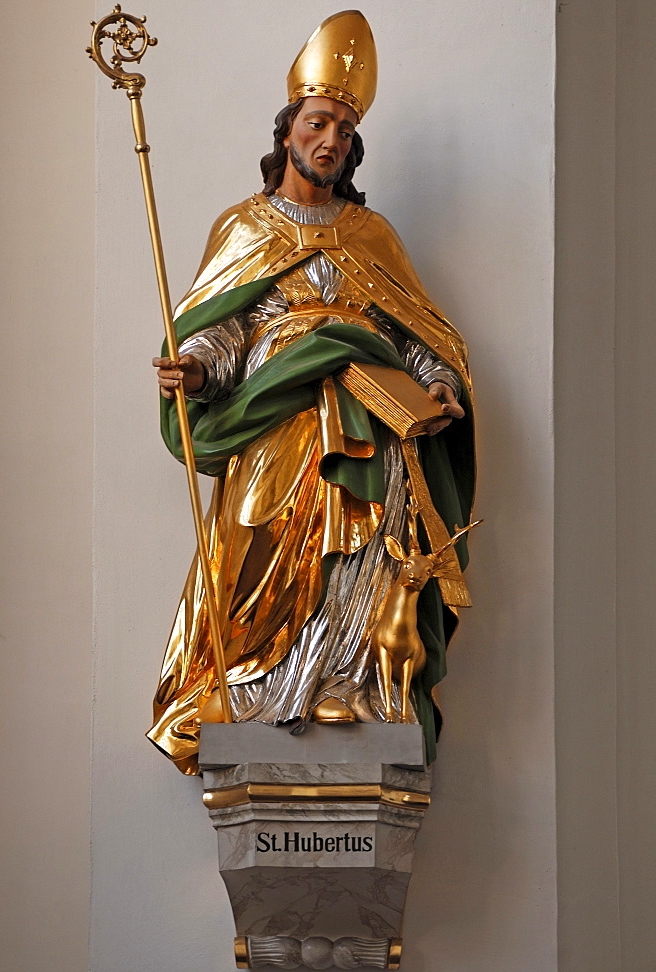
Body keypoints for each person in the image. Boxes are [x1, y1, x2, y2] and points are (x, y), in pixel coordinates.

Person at [147, 11, 475, 776]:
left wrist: (436, 383)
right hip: (275, 420)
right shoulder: (244, 227)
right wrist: (191, 369)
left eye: (345, 131)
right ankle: (258, 687)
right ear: (288, 131)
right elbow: (220, 332)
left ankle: (347, 685)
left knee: (363, 552)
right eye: (319, 122)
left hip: (369, 419)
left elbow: (416, 336)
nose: (332, 140)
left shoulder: (371, 235)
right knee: (253, 544)